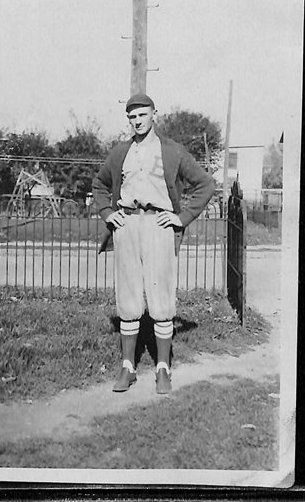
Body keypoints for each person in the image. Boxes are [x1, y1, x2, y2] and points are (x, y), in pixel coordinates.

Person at [92, 93, 215, 394]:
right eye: (132, 117)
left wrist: (182, 217)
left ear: (153, 114)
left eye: (142, 115)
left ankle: (162, 368)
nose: (137, 121)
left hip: (160, 225)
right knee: (129, 297)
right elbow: (99, 185)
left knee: (161, 300)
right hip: (128, 225)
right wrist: (109, 213)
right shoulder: (121, 152)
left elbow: (205, 183)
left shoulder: (172, 151)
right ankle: (128, 367)